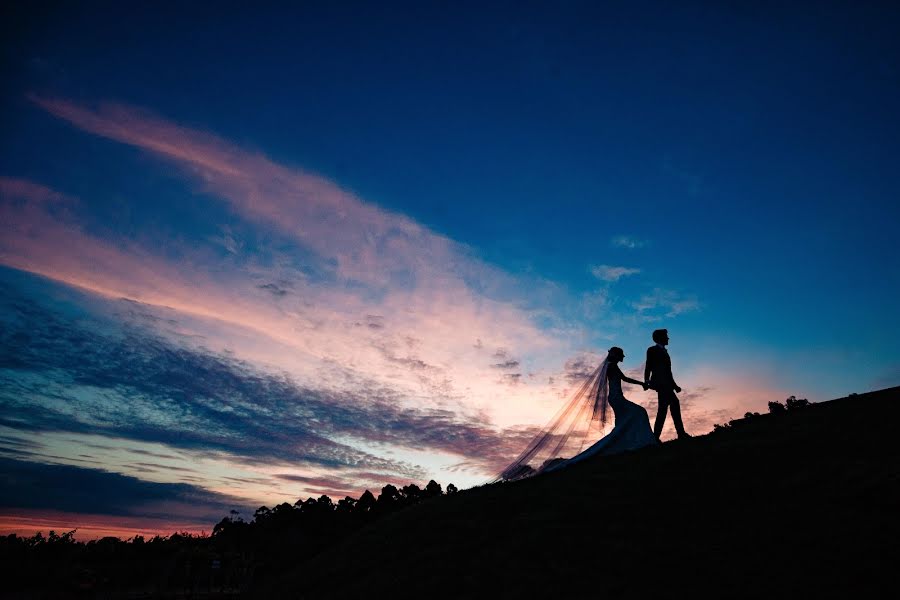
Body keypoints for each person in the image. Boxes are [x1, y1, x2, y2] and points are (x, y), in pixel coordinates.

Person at [546, 346, 657, 470]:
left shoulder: (612, 366)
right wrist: (642, 383)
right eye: (621, 355)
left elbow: (624, 379)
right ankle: (636, 441)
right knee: (639, 412)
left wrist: (641, 383)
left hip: (616, 398)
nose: (622, 358)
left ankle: (628, 441)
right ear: (616, 356)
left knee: (624, 420)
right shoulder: (611, 366)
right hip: (617, 398)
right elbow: (620, 379)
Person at [645, 329, 690, 441]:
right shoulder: (652, 350)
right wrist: (646, 381)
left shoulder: (665, 352)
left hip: (667, 384)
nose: (668, 338)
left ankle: (656, 437)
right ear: (660, 338)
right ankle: (679, 434)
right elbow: (648, 366)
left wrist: (674, 386)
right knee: (670, 406)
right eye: (666, 336)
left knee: (664, 409)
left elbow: (668, 372)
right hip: (661, 384)